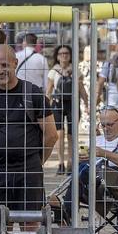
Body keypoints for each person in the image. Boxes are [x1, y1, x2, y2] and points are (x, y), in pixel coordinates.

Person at [0, 44, 57, 227]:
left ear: (15, 63)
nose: (0, 70)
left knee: (31, 224)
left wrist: (37, 161)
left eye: (4, 65)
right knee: (0, 226)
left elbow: (51, 135)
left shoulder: (33, 94)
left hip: (28, 170)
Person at [50, 107, 118, 222]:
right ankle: (64, 210)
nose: (106, 129)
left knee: (85, 170)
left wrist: (103, 153)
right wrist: (79, 157)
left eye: (110, 125)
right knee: (82, 168)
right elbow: (79, 159)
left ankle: (65, 211)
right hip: (90, 182)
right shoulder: (95, 140)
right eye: (103, 125)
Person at [45, 44, 87, 175]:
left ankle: (70, 163)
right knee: (59, 135)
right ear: (57, 56)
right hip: (57, 105)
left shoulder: (76, 71)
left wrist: (86, 103)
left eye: (67, 54)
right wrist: (45, 107)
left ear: (70, 56)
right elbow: (49, 91)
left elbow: (81, 89)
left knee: (72, 136)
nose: (64, 56)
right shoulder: (53, 71)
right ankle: (60, 163)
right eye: (61, 54)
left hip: (72, 105)